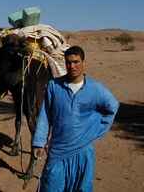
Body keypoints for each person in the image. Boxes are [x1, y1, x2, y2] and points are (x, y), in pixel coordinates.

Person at [32, 45, 119, 192]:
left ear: (84, 62)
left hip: (83, 151)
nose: (72, 66)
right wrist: (39, 142)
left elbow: (112, 107)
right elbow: (45, 114)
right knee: (52, 185)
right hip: (58, 150)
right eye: (68, 62)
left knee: (81, 188)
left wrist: (96, 129)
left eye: (76, 62)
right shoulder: (54, 86)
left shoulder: (95, 88)